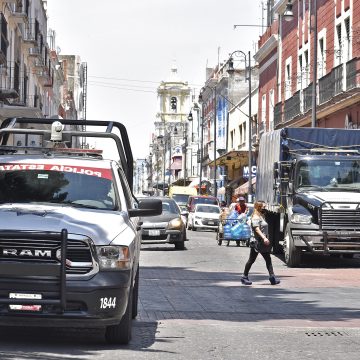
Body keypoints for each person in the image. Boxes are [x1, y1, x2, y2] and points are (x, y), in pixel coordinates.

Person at [240, 200, 280, 286]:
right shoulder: (255, 217)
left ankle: (272, 277)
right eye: (263, 207)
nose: (265, 208)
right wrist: (264, 238)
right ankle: (244, 277)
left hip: (262, 242)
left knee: (268, 259)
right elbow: (256, 229)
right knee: (251, 260)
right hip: (257, 242)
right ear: (259, 207)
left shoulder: (261, 216)